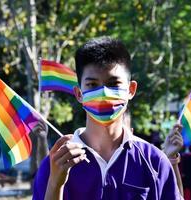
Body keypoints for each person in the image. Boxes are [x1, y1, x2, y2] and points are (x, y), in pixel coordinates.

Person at [33, 37, 183, 200]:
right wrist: (56, 183)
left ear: (131, 90)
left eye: (113, 83)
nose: (103, 93)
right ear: (79, 94)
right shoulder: (55, 164)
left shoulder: (154, 161)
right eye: (92, 85)